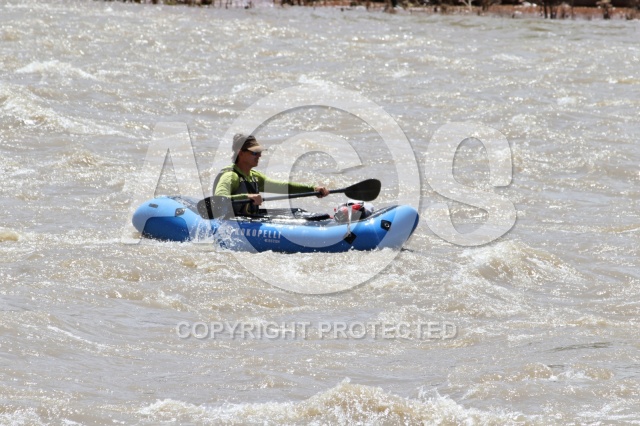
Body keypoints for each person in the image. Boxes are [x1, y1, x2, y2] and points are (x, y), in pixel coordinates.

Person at [213, 134, 330, 217]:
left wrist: (313, 189)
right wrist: (247, 196)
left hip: (249, 218)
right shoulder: (231, 176)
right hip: (231, 221)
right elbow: (219, 199)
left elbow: (282, 187)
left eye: (259, 152)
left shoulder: (255, 177)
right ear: (240, 153)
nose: (259, 156)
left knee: (297, 212)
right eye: (254, 153)